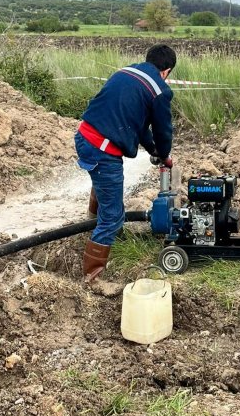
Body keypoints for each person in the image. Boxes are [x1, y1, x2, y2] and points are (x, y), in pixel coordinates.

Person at [75, 44, 176, 281]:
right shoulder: (160, 91)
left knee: (103, 188)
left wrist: (153, 150)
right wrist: (164, 152)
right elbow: (163, 131)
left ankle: (92, 229)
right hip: (102, 149)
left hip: (84, 136)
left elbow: (137, 124)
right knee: (113, 217)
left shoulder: (126, 73)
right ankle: (92, 277)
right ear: (167, 71)